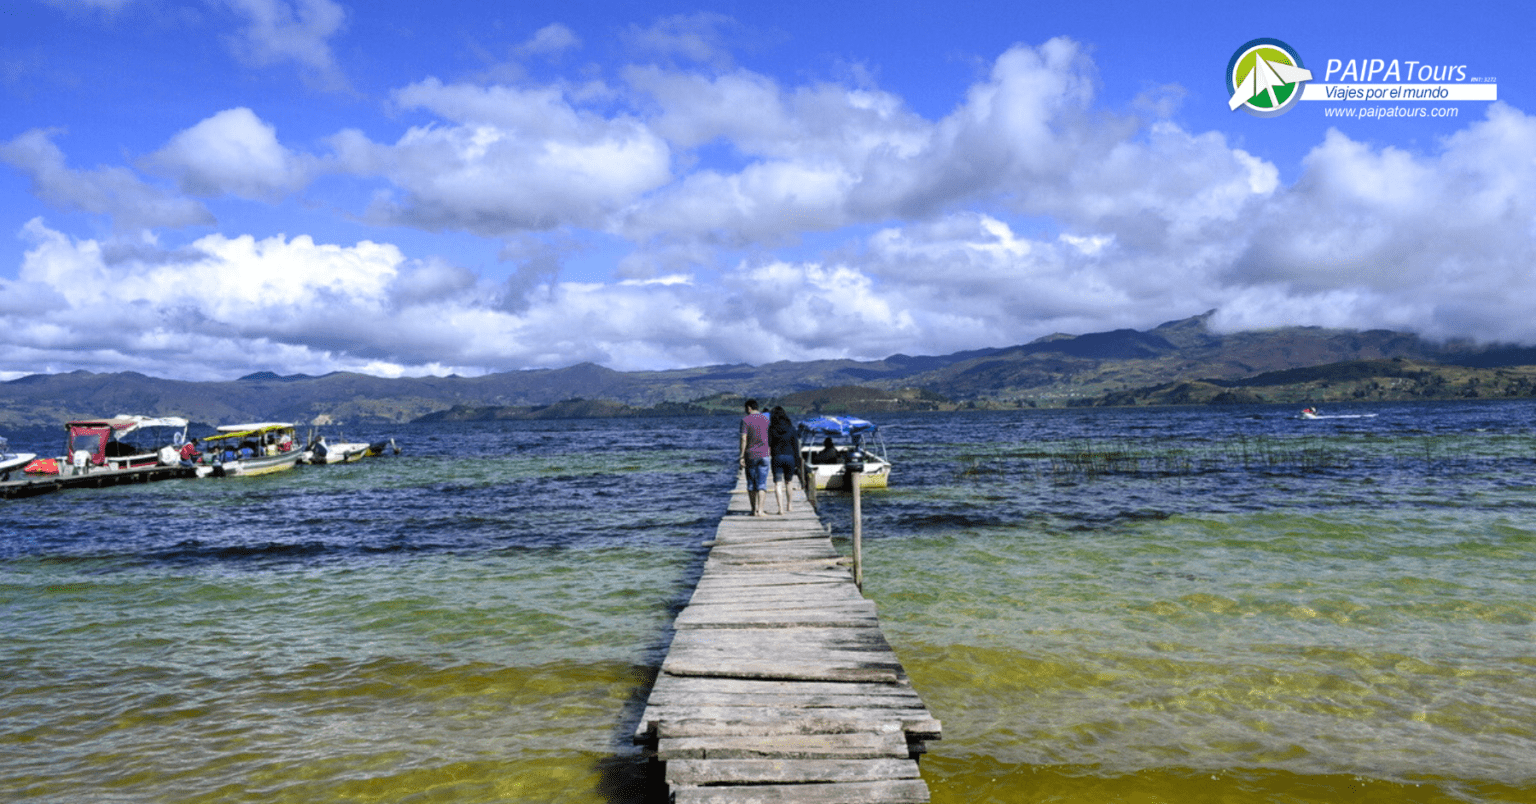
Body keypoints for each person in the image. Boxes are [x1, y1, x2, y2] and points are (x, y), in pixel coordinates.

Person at [738, 399, 772, 516]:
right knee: (762, 484)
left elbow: (743, 438)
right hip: (764, 454)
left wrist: (741, 456)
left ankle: (753, 510)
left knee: (751, 484)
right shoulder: (766, 419)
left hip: (751, 455)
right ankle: (761, 510)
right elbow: (770, 436)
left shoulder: (745, 420)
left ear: (749, 408)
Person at [767, 406, 800, 514]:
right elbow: (796, 445)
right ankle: (789, 505)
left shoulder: (771, 428)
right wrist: (797, 461)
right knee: (789, 482)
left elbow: (769, 444)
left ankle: (780, 508)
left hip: (777, 457)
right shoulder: (791, 428)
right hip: (790, 457)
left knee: (778, 484)